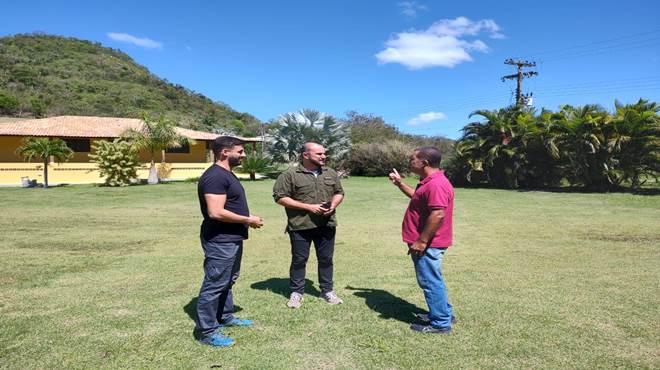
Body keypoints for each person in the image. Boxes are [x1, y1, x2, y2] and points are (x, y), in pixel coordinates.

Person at [195, 136, 264, 347]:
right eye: (240, 151)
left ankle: (225, 316)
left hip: (231, 238)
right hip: (220, 239)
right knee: (215, 283)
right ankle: (206, 331)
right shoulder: (215, 176)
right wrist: (248, 219)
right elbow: (215, 212)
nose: (244, 155)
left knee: (228, 279)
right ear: (225, 152)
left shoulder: (226, 174)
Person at [388, 147, 456, 334]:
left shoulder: (436, 184)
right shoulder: (429, 181)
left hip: (429, 244)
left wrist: (422, 241)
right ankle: (444, 313)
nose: (410, 162)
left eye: (413, 159)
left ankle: (441, 323)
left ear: (424, 163)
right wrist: (400, 184)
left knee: (430, 281)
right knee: (433, 279)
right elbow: (418, 199)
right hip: (427, 242)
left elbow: (438, 214)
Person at [273, 142, 345, 308]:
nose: (323, 156)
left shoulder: (330, 173)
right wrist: (308, 207)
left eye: (324, 153)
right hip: (300, 225)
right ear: (306, 155)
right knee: (299, 260)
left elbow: (339, 193)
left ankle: (327, 290)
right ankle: (297, 292)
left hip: (327, 224)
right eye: (319, 154)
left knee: (326, 259)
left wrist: (333, 205)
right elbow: (280, 197)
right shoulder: (290, 175)